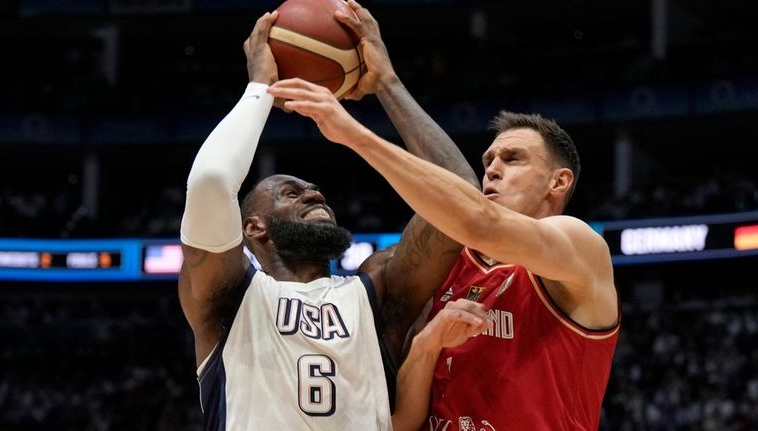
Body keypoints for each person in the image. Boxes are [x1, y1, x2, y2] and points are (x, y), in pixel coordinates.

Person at [266, 18, 621, 430]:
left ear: (558, 182)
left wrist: (355, 132)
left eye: (513, 159)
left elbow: (480, 222)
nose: (492, 170)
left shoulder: (580, 248)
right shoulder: (451, 264)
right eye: (488, 161)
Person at [178, 8, 479, 431]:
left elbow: (462, 203)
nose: (315, 194)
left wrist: (387, 85)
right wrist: (260, 89)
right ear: (253, 227)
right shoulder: (229, 295)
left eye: (315, 191)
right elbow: (211, 181)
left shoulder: (377, 291)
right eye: (291, 192)